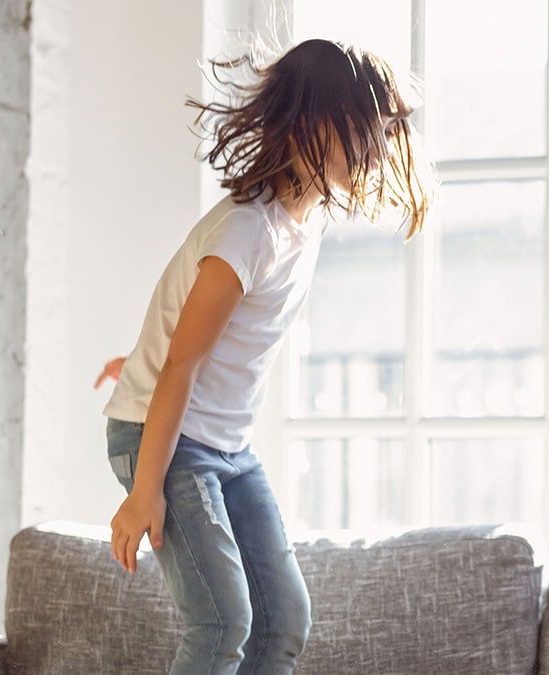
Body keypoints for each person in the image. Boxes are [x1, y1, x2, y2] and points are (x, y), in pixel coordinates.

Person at [97, 39, 432, 675]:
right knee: (224, 622)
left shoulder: (304, 222)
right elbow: (181, 367)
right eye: (366, 130)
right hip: (164, 438)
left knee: (283, 622)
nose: (380, 148)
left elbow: (202, 340)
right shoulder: (248, 233)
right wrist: (145, 490)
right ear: (309, 126)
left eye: (385, 132)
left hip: (225, 444)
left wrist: (137, 359)